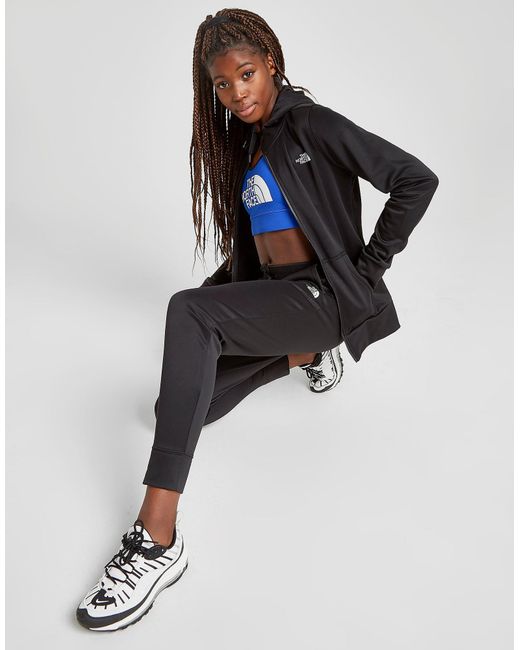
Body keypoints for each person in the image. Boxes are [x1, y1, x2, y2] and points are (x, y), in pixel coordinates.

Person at [76, 9, 439, 632]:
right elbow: (265, 243)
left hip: (321, 299)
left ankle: (156, 537)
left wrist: (365, 272)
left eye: (245, 74)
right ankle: (305, 355)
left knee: (187, 311)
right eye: (222, 83)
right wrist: (224, 293)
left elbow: (415, 179)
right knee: (183, 409)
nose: (236, 92)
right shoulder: (251, 145)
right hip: (282, 304)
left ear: (270, 63)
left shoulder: (312, 124)